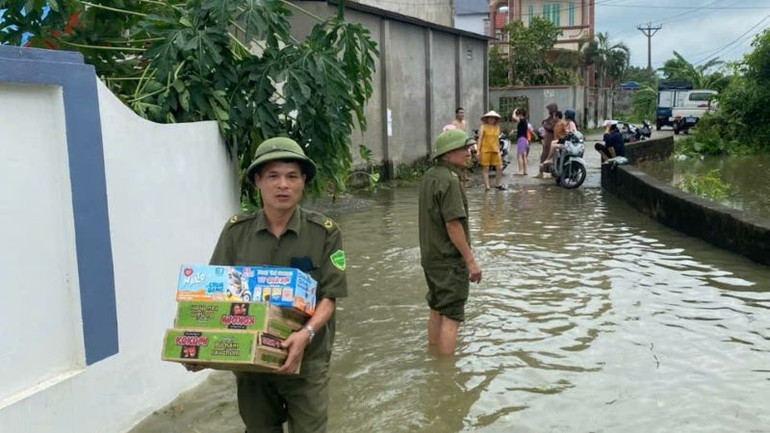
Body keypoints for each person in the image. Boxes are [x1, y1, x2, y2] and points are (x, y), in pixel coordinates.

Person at [190, 137, 348, 433]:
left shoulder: (324, 233)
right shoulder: (236, 232)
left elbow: (330, 296)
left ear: (303, 182)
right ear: (257, 181)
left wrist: (306, 334)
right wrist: (201, 349)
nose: (283, 185)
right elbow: (214, 294)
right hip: (251, 365)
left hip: (307, 361)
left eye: (292, 176)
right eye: (273, 176)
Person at [419, 129, 483, 356]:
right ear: (448, 153)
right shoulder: (450, 181)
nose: (468, 153)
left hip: (431, 259)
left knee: (437, 308)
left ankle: (433, 359)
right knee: (452, 315)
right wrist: (471, 261)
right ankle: (446, 374)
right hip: (448, 261)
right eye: (464, 149)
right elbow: (453, 225)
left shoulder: (429, 176)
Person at [477, 110, 506, 190]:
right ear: (487, 119)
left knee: (499, 167)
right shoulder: (483, 127)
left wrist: (499, 150)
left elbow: (497, 139)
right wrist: (478, 151)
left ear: (495, 119)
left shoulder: (497, 127)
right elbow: (479, 139)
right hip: (485, 149)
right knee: (485, 168)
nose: (491, 119)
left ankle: (498, 184)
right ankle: (487, 186)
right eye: (490, 118)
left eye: (493, 118)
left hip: (495, 150)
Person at [534, 103, 558, 178]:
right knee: (544, 156)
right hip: (547, 138)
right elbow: (546, 122)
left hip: (552, 139)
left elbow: (551, 127)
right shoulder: (550, 118)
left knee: (550, 156)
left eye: (549, 110)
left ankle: (552, 172)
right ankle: (541, 172)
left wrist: (545, 125)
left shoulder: (555, 118)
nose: (548, 111)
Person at [511, 108, 530, 176]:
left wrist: (514, 110)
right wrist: (515, 131)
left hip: (521, 140)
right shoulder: (525, 121)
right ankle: (525, 171)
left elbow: (513, 117)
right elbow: (522, 130)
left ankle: (521, 170)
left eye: (518, 115)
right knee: (524, 156)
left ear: (520, 115)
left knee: (519, 156)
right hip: (525, 139)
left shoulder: (521, 120)